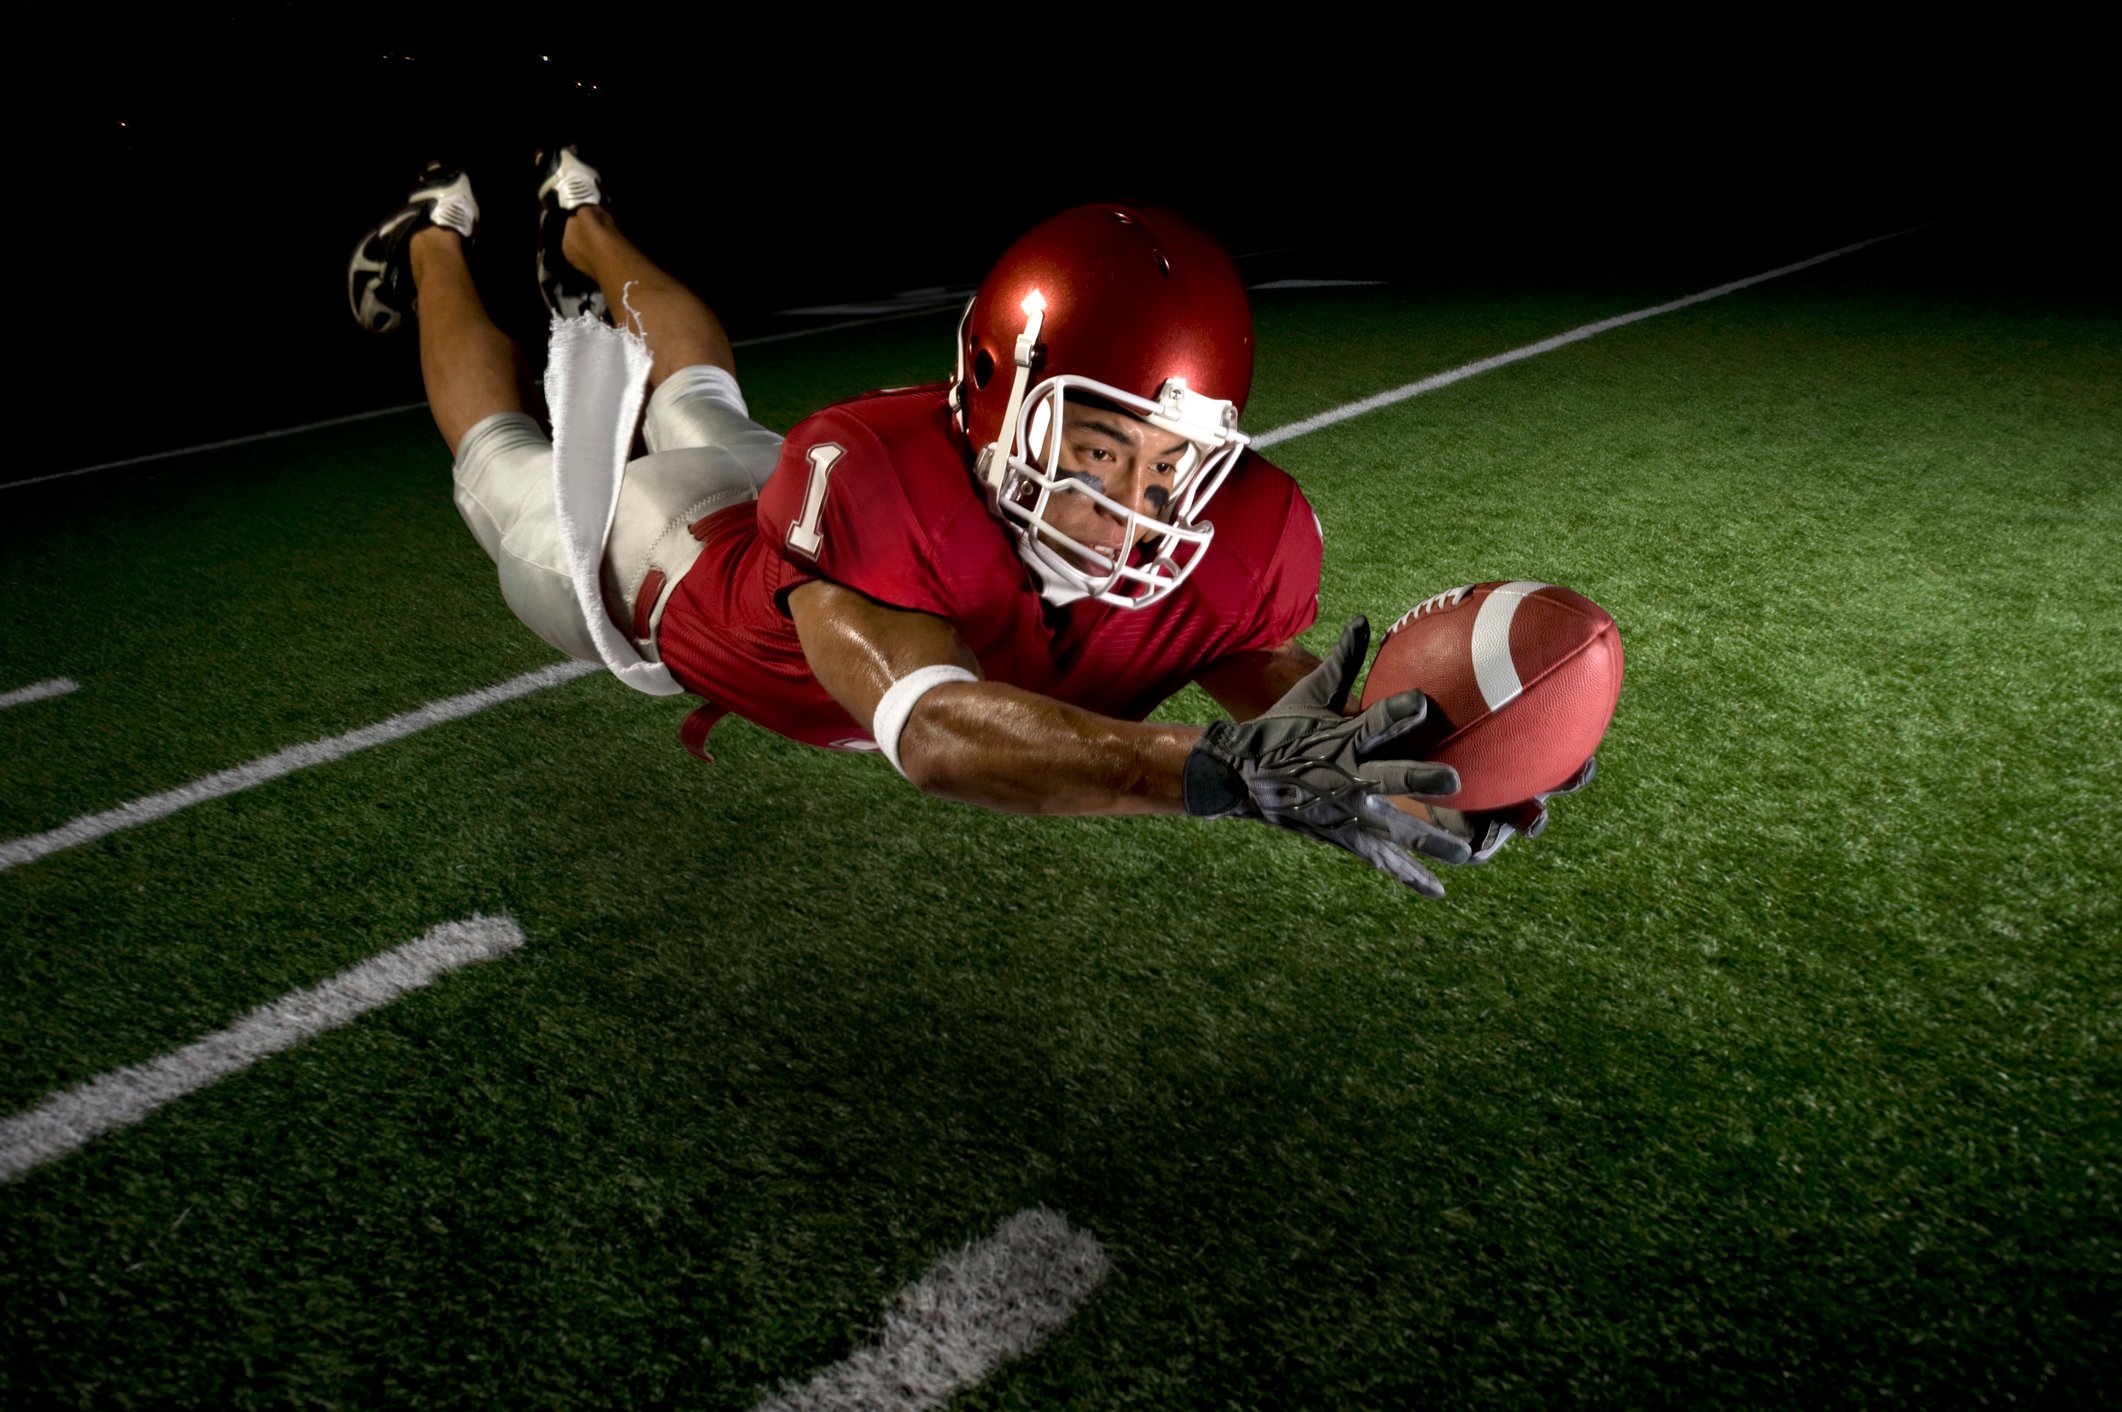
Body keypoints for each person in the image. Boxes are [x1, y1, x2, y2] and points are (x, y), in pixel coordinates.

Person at [348, 150, 1567, 897]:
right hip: (662, 573)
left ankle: (577, 213)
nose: (1130, 508)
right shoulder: (869, 473)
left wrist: (1437, 768)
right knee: (505, 459)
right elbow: (933, 731)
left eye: (1172, 465)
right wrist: (1213, 775)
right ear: (995, 394)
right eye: (1097, 448)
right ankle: (435, 238)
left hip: (758, 501)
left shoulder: (1243, 536)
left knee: (700, 398)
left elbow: (1296, 714)